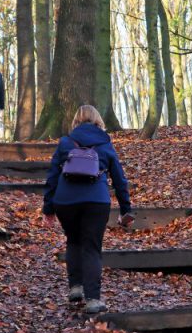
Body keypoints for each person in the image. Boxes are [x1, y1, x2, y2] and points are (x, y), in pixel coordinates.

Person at [43, 105, 133, 314]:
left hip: (66, 201)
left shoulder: (66, 142)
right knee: (91, 247)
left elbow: (52, 176)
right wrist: (125, 209)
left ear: (76, 121)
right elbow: (120, 179)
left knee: (73, 241)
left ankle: (76, 287)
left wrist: (48, 208)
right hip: (96, 201)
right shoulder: (105, 143)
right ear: (98, 120)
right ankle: (93, 299)